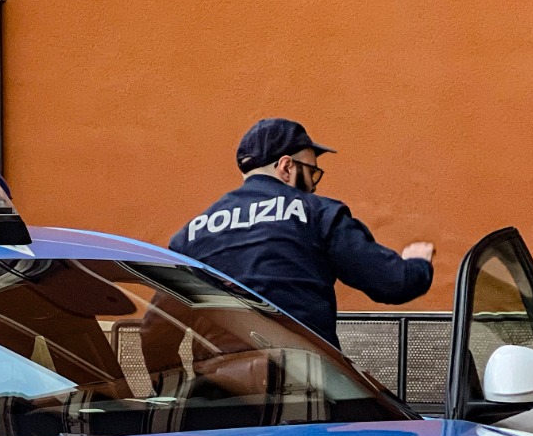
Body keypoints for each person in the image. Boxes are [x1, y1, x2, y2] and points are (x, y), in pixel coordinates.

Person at [168, 118, 435, 347]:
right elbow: (393, 283)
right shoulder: (318, 213)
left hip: (222, 391)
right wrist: (418, 263)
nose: (314, 185)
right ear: (286, 167)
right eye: (312, 172)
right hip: (301, 385)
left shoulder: (189, 236)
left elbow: (159, 327)